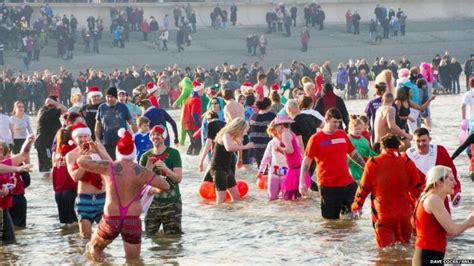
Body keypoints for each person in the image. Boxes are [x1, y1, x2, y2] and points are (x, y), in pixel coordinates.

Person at [76, 129, 170, 262]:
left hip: (111, 219)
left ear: (118, 152)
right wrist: (152, 187)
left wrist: (88, 153)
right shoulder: (142, 171)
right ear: (133, 153)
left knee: (95, 249)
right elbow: (165, 186)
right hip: (132, 219)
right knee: (133, 261)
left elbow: (81, 162)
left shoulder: (109, 167)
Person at [352, 134, 422, 248]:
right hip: (405, 216)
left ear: (381, 147)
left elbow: (363, 189)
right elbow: (417, 192)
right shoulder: (408, 163)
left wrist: (356, 206)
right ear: (398, 147)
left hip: (383, 216)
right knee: (405, 251)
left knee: (385, 254)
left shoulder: (373, 163)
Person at [299, 108, 366, 219]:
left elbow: (353, 154)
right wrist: (302, 182)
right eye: (334, 122)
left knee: (352, 218)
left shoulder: (342, 135)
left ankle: (351, 236)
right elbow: (306, 162)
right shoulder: (315, 139)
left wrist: (366, 167)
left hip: (347, 184)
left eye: (339, 122)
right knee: (330, 222)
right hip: (328, 186)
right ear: (326, 119)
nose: (337, 125)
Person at [412, 166, 474, 265]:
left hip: (428, 255)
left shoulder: (428, 197)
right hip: (427, 257)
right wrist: (470, 220)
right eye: (451, 179)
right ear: (439, 182)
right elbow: (452, 230)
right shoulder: (433, 199)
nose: (455, 183)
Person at [66, 123, 112, 240]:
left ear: (89, 136)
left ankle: (105, 258)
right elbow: (75, 177)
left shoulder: (99, 148)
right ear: (74, 139)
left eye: (85, 136)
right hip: (84, 199)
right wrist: (82, 162)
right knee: (85, 237)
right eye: (79, 137)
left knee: (106, 236)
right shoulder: (71, 155)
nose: (83, 139)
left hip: (102, 197)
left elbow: (112, 166)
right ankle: (87, 257)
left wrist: (99, 153)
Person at [140, 125, 183, 235]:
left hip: (172, 202)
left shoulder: (174, 154)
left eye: (158, 135)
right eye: (153, 135)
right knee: (149, 237)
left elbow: (178, 178)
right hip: (152, 203)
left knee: (174, 238)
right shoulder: (145, 157)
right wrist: (148, 169)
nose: (155, 137)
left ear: (164, 137)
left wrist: (165, 168)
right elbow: (140, 185)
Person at [406, 128, 462, 208]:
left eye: (424, 140)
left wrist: (455, 192)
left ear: (430, 139)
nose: (421, 144)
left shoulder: (440, 150)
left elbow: (452, 172)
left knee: (445, 220)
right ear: (413, 141)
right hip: (419, 200)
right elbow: (404, 181)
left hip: (441, 197)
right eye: (418, 141)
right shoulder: (407, 156)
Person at [208, 118, 254, 204]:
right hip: (218, 169)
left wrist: (240, 159)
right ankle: (218, 216)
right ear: (239, 127)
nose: (245, 133)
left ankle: (234, 216)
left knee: (237, 198)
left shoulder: (235, 136)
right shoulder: (226, 135)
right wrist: (246, 147)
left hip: (227, 168)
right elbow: (229, 148)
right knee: (221, 202)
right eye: (244, 130)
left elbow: (239, 145)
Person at [0, 135, 34, 243]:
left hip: (4, 210)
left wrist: (28, 142)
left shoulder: (5, 163)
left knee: (9, 244)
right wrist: (18, 168)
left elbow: (23, 155)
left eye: (0, 150)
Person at [272, 116, 310, 200]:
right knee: (299, 197)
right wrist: (281, 150)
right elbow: (291, 151)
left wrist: (279, 148)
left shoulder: (285, 134)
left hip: (294, 168)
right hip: (297, 166)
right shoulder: (291, 133)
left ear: (281, 125)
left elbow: (290, 150)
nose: (275, 128)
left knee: (289, 197)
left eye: (276, 126)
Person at [95, 87, 137, 160]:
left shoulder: (122, 107)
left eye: (112, 97)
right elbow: (98, 125)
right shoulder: (102, 107)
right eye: (108, 96)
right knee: (110, 164)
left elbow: (131, 122)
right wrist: (97, 138)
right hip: (107, 142)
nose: (109, 99)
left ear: (116, 97)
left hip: (121, 142)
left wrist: (136, 135)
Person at [51, 126, 78, 227]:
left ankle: (69, 238)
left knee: (67, 221)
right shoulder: (65, 152)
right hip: (64, 188)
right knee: (69, 221)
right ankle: (73, 239)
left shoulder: (62, 153)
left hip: (64, 188)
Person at [34, 97, 67, 177]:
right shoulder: (47, 111)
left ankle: (48, 184)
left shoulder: (46, 111)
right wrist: (55, 103)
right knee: (48, 168)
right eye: (58, 103)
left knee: (49, 167)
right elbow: (65, 110)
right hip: (44, 144)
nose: (59, 105)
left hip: (46, 143)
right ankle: (47, 185)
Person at [257, 121, 287, 200]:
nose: (276, 135)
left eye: (277, 132)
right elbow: (266, 158)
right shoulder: (271, 143)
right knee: (271, 197)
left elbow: (296, 156)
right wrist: (261, 171)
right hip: (274, 173)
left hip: (286, 173)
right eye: (273, 133)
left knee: (286, 198)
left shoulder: (289, 140)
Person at [347, 115, 376, 182]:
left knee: (361, 179)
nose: (358, 131)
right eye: (356, 129)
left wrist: (377, 155)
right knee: (352, 178)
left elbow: (368, 153)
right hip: (349, 164)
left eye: (360, 129)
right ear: (350, 129)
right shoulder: (347, 138)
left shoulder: (364, 141)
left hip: (360, 163)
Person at [249, 98, 276, 167]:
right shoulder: (272, 116)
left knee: (261, 168)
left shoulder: (253, 116)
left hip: (256, 146)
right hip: (268, 145)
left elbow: (251, 131)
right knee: (273, 167)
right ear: (268, 106)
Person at [182, 81, 203, 155]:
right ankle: (194, 157)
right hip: (193, 125)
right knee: (198, 144)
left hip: (187, 125)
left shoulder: (189, 98)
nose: (203, 91)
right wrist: (200, 125)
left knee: (193, 142)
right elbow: (194, 113)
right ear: (199, 90)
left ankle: (189, 156)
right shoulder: (196, 100)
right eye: (202, 90)